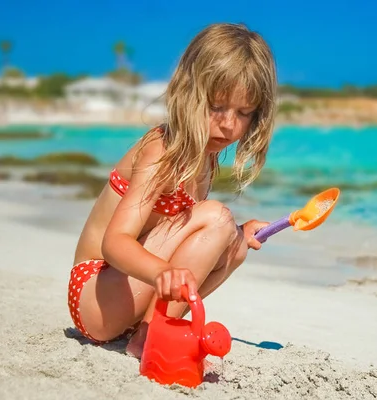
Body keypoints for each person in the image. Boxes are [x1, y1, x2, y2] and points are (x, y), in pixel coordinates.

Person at [67, 22, 277, 358]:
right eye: (217, 107)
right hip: (96, 294)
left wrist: (237, 233)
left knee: (234, 243)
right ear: (189, 93)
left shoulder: (205, 159)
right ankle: (150, 337)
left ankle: (149, 331)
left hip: (124, 298)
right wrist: (162, 272)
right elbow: (114, 242)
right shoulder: (161, 149)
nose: (228, 124)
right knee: (217, 217)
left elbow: (189, 237)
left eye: (244, 113)